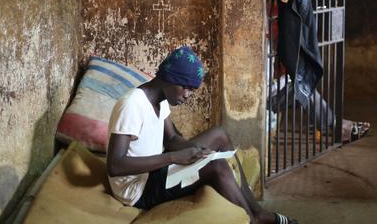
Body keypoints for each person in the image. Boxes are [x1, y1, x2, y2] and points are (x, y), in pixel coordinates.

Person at [106, 46, 297, 224]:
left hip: (152, 172)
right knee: (215, 165)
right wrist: (173, 158)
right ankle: (252, 219)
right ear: (170, 78)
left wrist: (196, 150)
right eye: (186, 88)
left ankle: (256, 209)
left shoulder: (160, 100)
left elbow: (172, 139)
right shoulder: (131, 105)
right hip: (136, 188)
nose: (188, 95)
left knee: (219, 135)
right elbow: (115, 165)